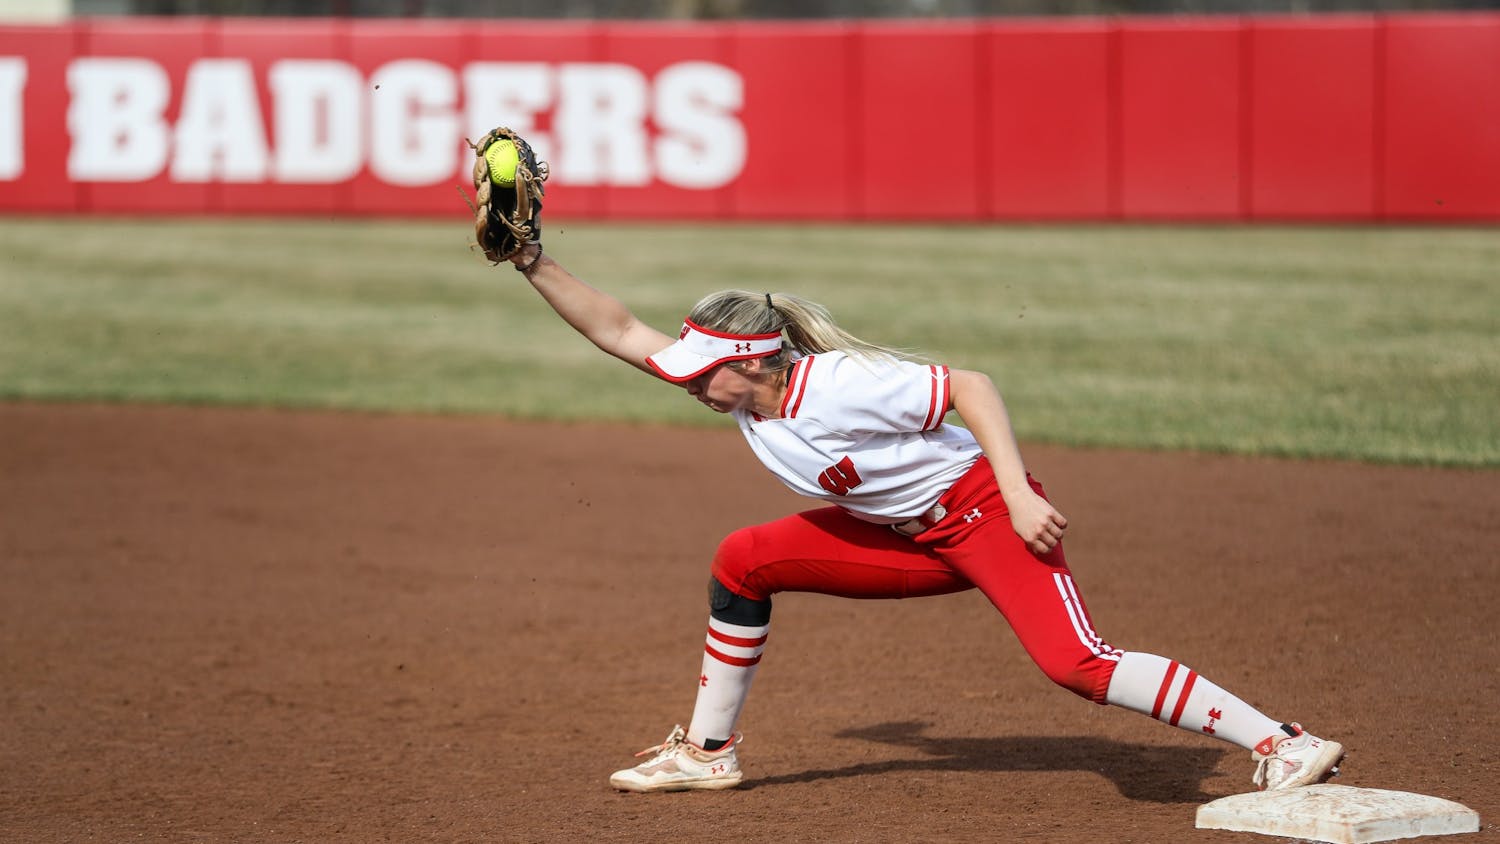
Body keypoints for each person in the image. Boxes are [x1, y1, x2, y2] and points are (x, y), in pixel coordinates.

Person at [499, 240, 1346, 795]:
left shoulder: (838, 385)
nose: (687, 384)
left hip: (982, 514)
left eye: (703, 374)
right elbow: (614, 329)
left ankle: (1282, 743)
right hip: (906, 535)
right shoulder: (742, 400)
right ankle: (708, 754)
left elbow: (971, 385)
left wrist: (1016, 492)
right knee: (743, 559)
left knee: (1077, 665)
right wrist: (530, 258)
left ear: (753, 361)